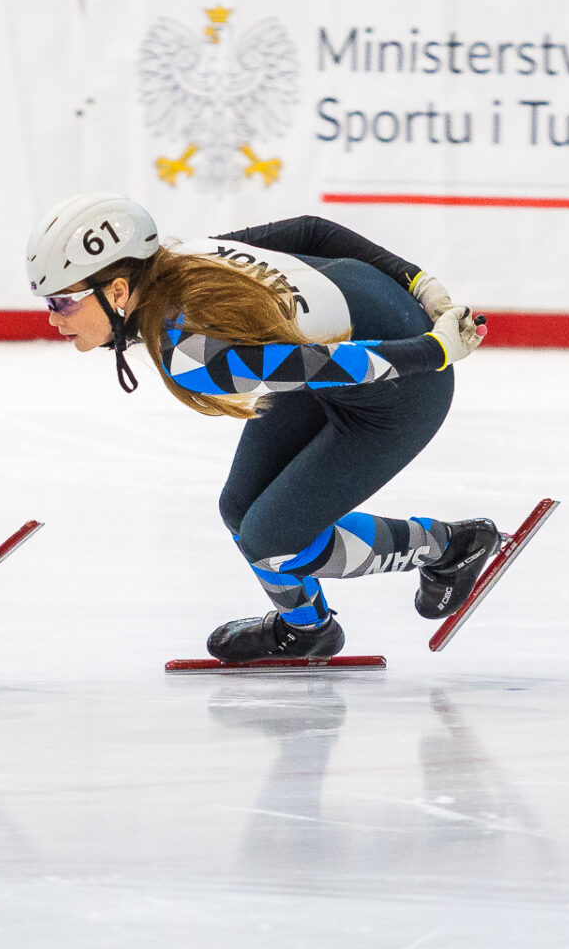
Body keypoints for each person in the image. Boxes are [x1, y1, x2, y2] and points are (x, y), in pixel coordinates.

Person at [25, 194, 493, 662]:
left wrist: (434, 350)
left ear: (118, 292)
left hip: (402, 386)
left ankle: (450, 547)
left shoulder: (189, 355)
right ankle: (308, 628)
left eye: (61, 301)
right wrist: (416, 280)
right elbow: (311, 231)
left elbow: (333, 363)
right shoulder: (186, 255)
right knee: (240, 507)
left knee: (273, 541)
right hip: (364, 343)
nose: (51, 317)